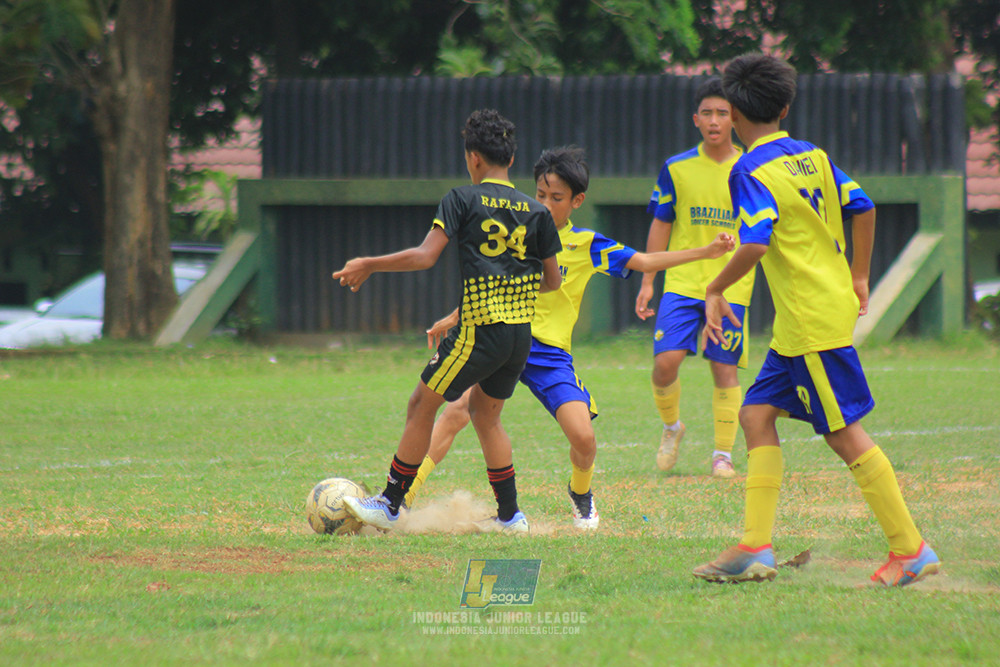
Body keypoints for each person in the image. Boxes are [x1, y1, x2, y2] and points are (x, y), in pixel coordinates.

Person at [692, 54, 940, 586]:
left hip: (810, 320)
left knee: (844, 434)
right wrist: (860, 276)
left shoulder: (748, 170)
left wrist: (714, 287)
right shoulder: (813, 156)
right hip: (806, 318)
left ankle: (910, 549)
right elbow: (864, 206)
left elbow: (755, 241)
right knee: (756, 414)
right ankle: (755, 547)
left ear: (733, 114)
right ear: (784, 107)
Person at [403, 146, 735, 530]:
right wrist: (456, 316)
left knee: (584, 438)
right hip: (503, 337)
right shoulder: (519, 231)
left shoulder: (587, 244)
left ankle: (580, 493)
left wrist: (708, 251)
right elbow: (494, 285)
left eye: (556, 198)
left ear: (577, 201)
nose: (545, 205)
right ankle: (404, 498)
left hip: (548, 355)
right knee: (456, 412)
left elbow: (644, 261)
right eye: (540, 195)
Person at [331, 109, 563, 534]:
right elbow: (553, 281)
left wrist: (369, 263)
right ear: (511, 159)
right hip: (518, 337)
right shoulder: (538, 212)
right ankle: (511, 517)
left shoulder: (462, 198)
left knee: (421, 404)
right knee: (486, 417)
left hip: (480, 332)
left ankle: (390, 503)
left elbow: (425, 256)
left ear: (474, 157)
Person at [635, 77, 755, 478]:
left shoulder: (752, 167)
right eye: (707, 113)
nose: (715, 120)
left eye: (722, 113)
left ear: (735, 118)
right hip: (683, 283)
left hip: (732, 283)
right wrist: (648, 280)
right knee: (665, 363)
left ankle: (723, 456)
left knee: (723, 368)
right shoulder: (677, 167)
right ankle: (672, 427)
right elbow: (661, 223)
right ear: (696, 119)